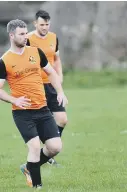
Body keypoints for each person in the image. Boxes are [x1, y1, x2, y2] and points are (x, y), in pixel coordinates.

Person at [0, 19, 68, 189]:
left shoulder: (36, 52)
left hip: (43, 109)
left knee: (55, 147)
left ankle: (28, 167)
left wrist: (60, 91)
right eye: (21, 34)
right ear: (11, 35)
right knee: (35, 146)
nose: (25, 37)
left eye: (25, 33)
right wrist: (13, 100)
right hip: (23, 113)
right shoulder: (4, 60)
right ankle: (37, 186)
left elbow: (51, 73)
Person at [26, 10, 67, 165]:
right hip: (36, 86)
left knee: (62, 120)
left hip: (51, 84)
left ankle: (49, 151)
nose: (45, 27)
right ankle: (47, 153)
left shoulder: (53, 37)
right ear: (35, 23)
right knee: (40, 121)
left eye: (47, 24)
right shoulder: (28, 39)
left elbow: (56, 58)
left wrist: (59, 76)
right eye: (42, 24)